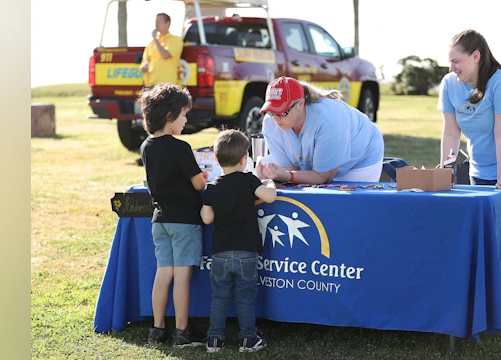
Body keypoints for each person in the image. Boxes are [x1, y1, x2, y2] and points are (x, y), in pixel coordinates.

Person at [437, 29, 501, 282]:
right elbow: (451, 133)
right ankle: (493, 299)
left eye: (456, 61)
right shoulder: (449, 84)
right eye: (450, 61)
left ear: (476, 56)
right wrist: (444, 172)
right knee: (489, 240)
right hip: (479, 172)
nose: (452, 68)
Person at [138, 83, 208, 347]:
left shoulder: (146, 146)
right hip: (184, 221)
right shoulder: (181, 147)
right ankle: (181, 332)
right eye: (183, 115)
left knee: (163, 272)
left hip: (160, 219)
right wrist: (204, 176)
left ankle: (157, 330)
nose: (186, 119)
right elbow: (199, 185)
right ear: (170, 117)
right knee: (182, 276)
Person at [200, 129, 277, 353]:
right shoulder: (248, 180)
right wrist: (269, 182)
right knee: (245, 297)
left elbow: (206, 218)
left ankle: (214, 340)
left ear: (216, 159)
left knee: (219, 297)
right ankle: (248, 339)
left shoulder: (213, 186)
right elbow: (269, 197)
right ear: (245, 160)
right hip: (246, 252)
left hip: (221, 253)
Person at [256, 76, 384, 184]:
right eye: (271, 111)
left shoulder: (328, 119)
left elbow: (323, 176)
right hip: (318, 166)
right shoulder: (269, 122)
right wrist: (278, 173)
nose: (276, 118)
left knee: (349, 206)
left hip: (360, 158)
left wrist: (287, 175)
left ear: (301, 104)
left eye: (282, 112)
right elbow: (289, 168)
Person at [140, 13, 184, 87]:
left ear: (168, 23)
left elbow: (165, 55)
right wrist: (144, 66)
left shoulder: (176, 40)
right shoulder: (151, 44)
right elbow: (144, 64)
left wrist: (155, 39)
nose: (156, 24)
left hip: (168, 85)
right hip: (152, 85)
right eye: (156, 22)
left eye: (159, 22)